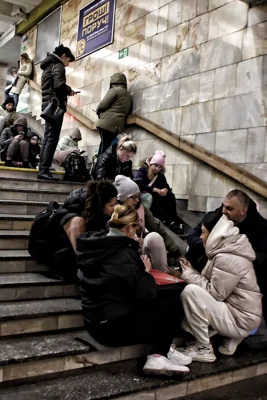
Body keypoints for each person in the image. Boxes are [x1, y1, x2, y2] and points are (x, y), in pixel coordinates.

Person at [76, 204, 192, 376]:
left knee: (163, 295)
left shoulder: (98, 244)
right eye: (136, 227)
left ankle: (165, 348)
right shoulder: (122, 254)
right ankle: (158, 355)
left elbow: (120, 283)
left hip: (95, 319)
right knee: (172, 299)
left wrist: (132, 250)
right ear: (130, 228)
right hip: (111, 329)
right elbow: (145, 293)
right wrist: (144, 271)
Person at [178, 212, 262, 362]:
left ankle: (204, 348)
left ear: (215, 234)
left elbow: (214, 293)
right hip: (244, 314)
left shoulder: (227, 258)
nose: (201, 237)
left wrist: (190, 275)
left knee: (191, 292)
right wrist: (192, 272)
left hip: (241, 318)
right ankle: (232, 338)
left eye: (203, 233)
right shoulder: (227, 250)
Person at [187, 189, 267, 322]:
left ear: (243, 210)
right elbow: (193, 236)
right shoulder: (218, 216)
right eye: (223, 206)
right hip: (206, 268)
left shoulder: (261, 228)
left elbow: (262, 259)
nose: (224, 211)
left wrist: (236, 256)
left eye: (229, 208)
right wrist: (210, 245)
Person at [114, 175, 188, 271]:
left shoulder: (141, 209)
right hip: (121, 255)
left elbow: (159, 229)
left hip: (140, 252)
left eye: (138, 196)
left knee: (154, 237)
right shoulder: (114, 212)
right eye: (133, 197)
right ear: (123, 198)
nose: (137, 200)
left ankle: (163, 274)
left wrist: (178, 254)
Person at [50, 180, 118, 280]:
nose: (114, 208)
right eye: (111, 205)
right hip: (65, 261)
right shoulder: (76, 220)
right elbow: (81, 254)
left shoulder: (99, 214)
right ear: (101, 203)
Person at [38, 44, 76, 181]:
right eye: (68, 61)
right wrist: (69, 90)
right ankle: (44, 169)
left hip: (47, 106)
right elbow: (59, 85)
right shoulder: (58, 65)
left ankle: (43, 168)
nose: (67, 65)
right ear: (63, 56)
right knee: (52, 139)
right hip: (55, 107)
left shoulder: (48, 66)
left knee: (48, 138)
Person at [135, 150, 184, 234]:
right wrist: (154, 190)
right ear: (151, 164)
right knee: (156, 197)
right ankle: (160, 219)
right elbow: (138, 184)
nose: (157, 169)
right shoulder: (142, 170)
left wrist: (165, 190)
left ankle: (172, 220)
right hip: (145, 193)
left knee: (170, 196)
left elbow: (166, 185)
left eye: (160, 167)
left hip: (155, 193)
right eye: (155, 165)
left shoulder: (160, 174)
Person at [96, 72, 132, 155]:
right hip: (118, 126)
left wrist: (98, 111)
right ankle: (104, 165)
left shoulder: (114, 90)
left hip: (107, 123)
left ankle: (99, 166)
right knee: (110, 147)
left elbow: (103, 105)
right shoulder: (128, 95)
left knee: (104, 146)